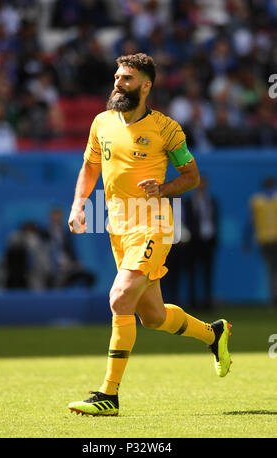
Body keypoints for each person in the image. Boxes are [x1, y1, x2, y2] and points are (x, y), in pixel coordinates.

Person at [67, 53, 232, 417]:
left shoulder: (168, 129)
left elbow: (192, 176)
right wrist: (79, 204)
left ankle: (108, 395)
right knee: (153, 316)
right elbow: (90, 167)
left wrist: (164, 188)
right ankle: (214, 334)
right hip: (117, 228)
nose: (117, 83)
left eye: (126, 78)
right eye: (116, 76)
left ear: (146, 85)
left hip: (153, 223)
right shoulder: (101, 123)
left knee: (120, 297)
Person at [184, 176, 218, 310]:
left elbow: (215, 220)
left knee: (208, 273)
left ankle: (207, 302)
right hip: (193, 241)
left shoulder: (212, 201)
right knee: (192, 273)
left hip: (208, 241)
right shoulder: (190, 201)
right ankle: (193, 303)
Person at [243, 177, 277, 307]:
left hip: (264, 240)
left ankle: (273, 300)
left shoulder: (256, 200)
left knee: (271, 270)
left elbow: (249, 223)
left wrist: (246, 240)